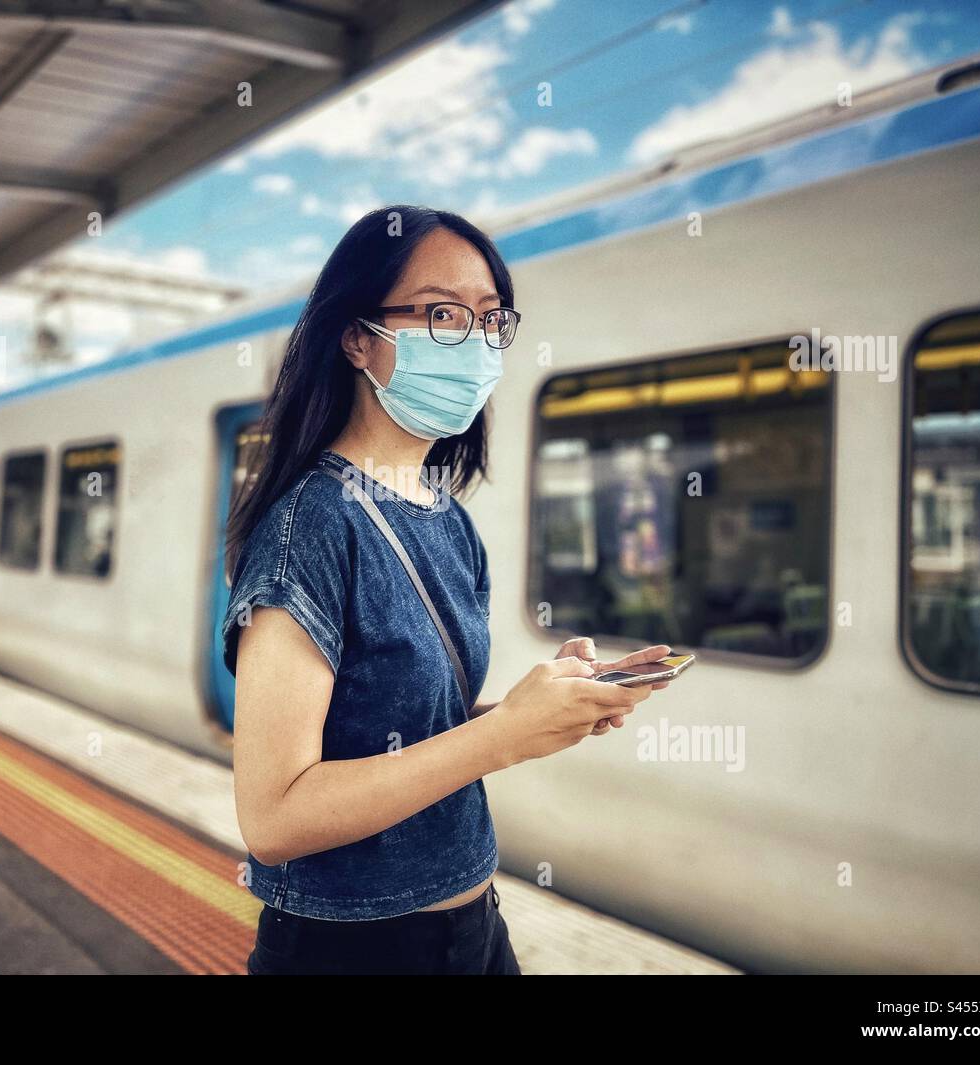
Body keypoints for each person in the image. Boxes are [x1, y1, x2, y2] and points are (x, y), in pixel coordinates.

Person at [221, 205, 671, 975]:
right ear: (358, 337)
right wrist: (497, 739)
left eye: (490, 318)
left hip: (471, 930)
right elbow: (274, 815)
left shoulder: (448, 520)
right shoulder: (314, 527)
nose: (475, 340)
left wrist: (539, 713)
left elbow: (414, 731)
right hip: (350, 952)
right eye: (440, 313)